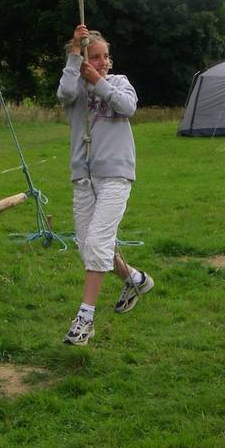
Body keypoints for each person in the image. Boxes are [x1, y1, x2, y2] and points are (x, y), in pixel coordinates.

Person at [57, 23, 153, 345]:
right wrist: (74, 56)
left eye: (106, 56)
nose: (103, 62)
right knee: (89, 248)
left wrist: (98, 80)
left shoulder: (119, 83)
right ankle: (135, 279)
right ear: (84, 58)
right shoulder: (76, 91)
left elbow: (127, 107)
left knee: (98, 244)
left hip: (115, 175)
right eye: (95, 57)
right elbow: (65, 93)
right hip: (84, 177)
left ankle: (85, 319)